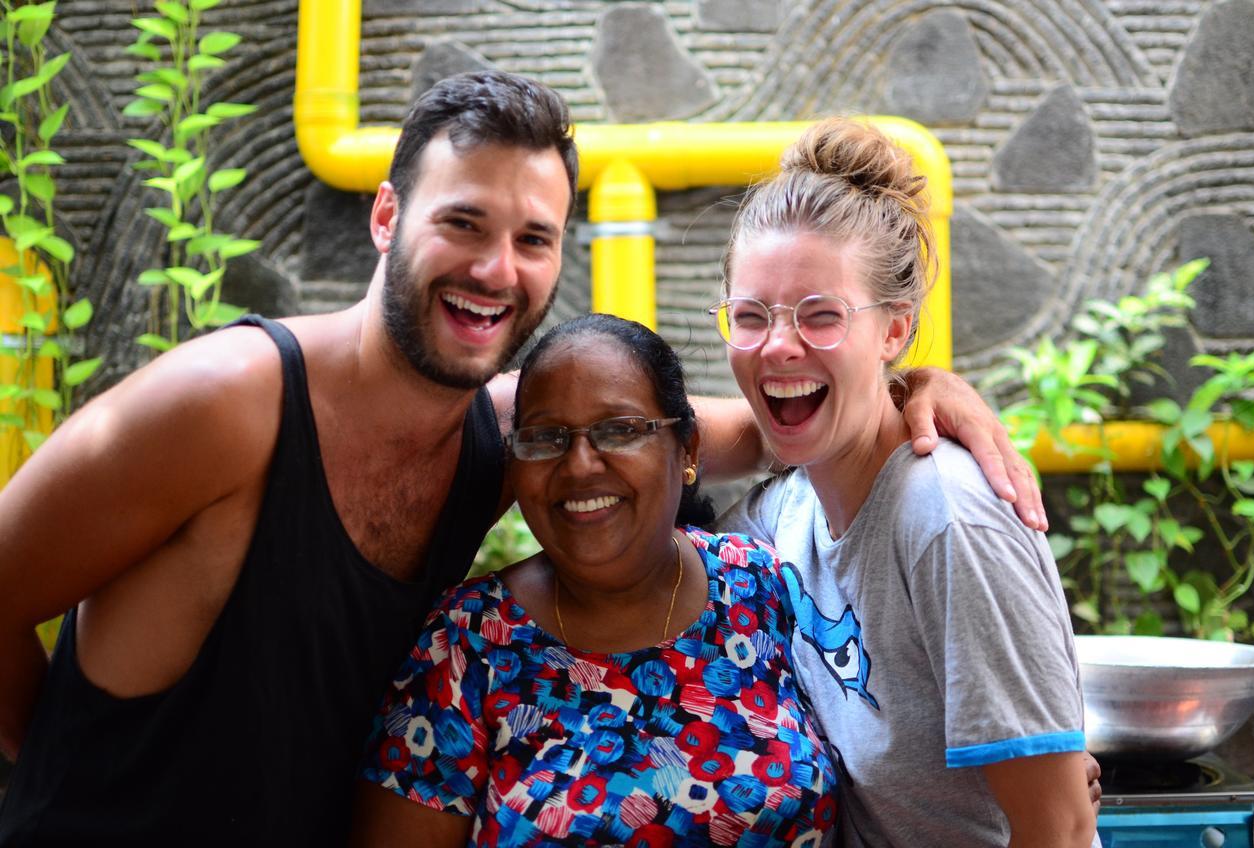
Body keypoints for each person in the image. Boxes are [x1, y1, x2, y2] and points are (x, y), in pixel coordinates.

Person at [0, 70, 1039, 844]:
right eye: (464, 221)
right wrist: (68, 769)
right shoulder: (229, 404)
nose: (496, 267)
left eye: (533, 238)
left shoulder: (500, 435)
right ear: (385, 216)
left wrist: (910, 386)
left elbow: (766, 422)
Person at [709, 117, 1097, 847]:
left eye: (821, 317)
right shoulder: (786, 515)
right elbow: (626, 444)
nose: (779, 345)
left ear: (894, 330)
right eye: (751, 317)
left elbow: (1062, 829)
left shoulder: (947, 522)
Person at [353, 314, 838, 847]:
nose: (580, 465)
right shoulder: (465, 644)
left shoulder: (761, 585)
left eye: (620, 430)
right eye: (545, 438)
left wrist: (916, 389)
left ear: (689, 450)